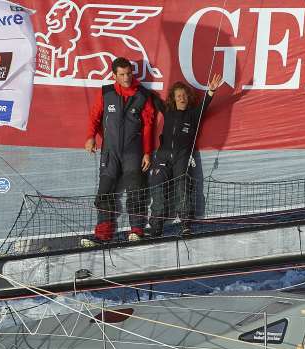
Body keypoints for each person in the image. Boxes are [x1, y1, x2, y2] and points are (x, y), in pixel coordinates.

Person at [84, 57, 154, 243]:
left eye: (129, 73)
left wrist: (147, 152)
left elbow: (148, 125)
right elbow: (94, 117)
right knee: (104, 191)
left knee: (136, 189)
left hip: (133, 151)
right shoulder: (106, 93)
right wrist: (90, 137)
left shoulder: (143, 95)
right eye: (122, 74)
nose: (126, 77)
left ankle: (137, 231)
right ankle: (103, 234)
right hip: (110, 151)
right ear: (114, 75)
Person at [148, 74, 223, 236]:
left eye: (184, 96)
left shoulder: (193, 114)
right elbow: (153, 99)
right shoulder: (167, 111)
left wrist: (211, 91)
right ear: (173, 99)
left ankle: (186, 225)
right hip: (163, 157)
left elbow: (205, 104)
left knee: (182, 188)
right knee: (158, 189)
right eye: (178, 96)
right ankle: (156, 226)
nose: (182, 98)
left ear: (188, 98)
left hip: (182, 157)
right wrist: (138, 87)